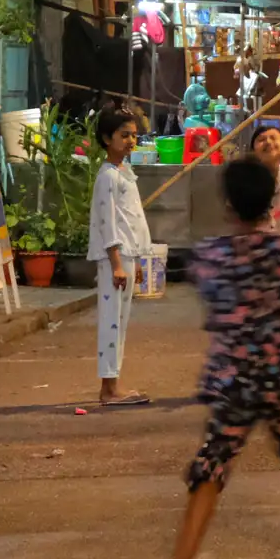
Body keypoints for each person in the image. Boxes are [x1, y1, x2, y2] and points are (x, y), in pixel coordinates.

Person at [135, 157, 280, 559]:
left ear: (228, 205)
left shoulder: (211, 256)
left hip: (234, 377)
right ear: (271, 204)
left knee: (211, 467)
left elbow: (215, 304)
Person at [89, 106, 154, 409]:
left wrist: (137, 261)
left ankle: (114, 384)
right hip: (115, 258)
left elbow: (131, 218)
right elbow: (108, 222)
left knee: (120, 322)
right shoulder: (107, 178)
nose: (130, 141)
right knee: (111, 322)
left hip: (126, 256)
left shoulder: (124, 173)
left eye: (134, 135)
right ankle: (109, 389)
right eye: (124, 135)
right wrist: (116, 262)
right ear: (106, 138)